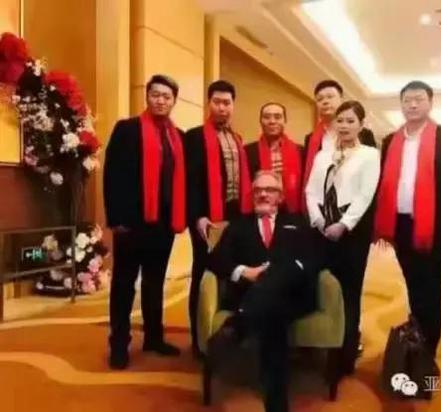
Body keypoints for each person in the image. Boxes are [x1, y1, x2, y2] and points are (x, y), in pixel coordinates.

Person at [373, 80, 441, 365]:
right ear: (401, 104)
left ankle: (428, 349)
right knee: (413, 283)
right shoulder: (391, 140)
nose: (412, 105)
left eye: (419, 99)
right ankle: (417, 337)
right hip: (400, 223)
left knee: (431, 286)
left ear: (430, 102)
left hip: (434, 224)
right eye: (407, 100)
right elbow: (384, 182)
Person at [208, 171, 319, 412]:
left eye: (269, 190)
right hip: (254, 295)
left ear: (280, 196)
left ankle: (238, 324)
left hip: (293, 295)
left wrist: (285, 272)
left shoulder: (297, 222)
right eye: (258, 190)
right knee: (273, 314)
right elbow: (216, 260)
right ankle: (277, 405)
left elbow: (313, 259)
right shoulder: (239, 225)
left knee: (281, 273)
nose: (263, 194)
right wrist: (243, 271)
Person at [103, 74, 186, 369]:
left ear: (174, 101)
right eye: (155, 95)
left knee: (155, 282)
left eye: (166, 96)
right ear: (147, 96)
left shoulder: (178, 136)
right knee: (124, 284)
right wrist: (115, 218)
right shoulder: (127, 129)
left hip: (163, 224)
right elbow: (111, 175)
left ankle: (154, 337)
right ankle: (119, 344)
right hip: (131, 223)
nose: (160, 100)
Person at [305, 100, 380, 374]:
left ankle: (345, 355)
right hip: (322, 229)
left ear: (361, 124)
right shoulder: (323, 155)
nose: (345, 126)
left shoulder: (369, 155)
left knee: (349, 291)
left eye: (351, 121)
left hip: (352, 233)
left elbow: (365, 194)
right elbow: (311, 191)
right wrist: (318, 220)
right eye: (340, 121)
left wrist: (344, 224)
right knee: (321, 287)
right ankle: (320, 345)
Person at [184, 80, 253, 357]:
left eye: (227, 103)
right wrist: (197, 216)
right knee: (204, 273)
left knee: (232, 270)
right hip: (207, 219)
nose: (222, 107)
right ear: (209, 104)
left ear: (233, 106)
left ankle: (228, 332)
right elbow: (189, 182)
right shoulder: (194, 137)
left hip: (235, 216)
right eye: (217, 102)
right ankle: (199, 340)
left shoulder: (237, 139)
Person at [302, 80, 376, 204]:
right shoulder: (310, 139)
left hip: (355, 201)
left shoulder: (363, 134)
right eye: (320, 99)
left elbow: (372, 175)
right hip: (322, 202)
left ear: (341, 100)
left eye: (330, 97)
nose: (325, 101)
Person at [245, 102, 303, 213]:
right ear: (260, 121)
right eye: (267, 117)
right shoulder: (248, 151)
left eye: (277, 117)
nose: (272, 121)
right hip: (260, 210)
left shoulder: (300, 151)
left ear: (285, 121)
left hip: (292, 211)